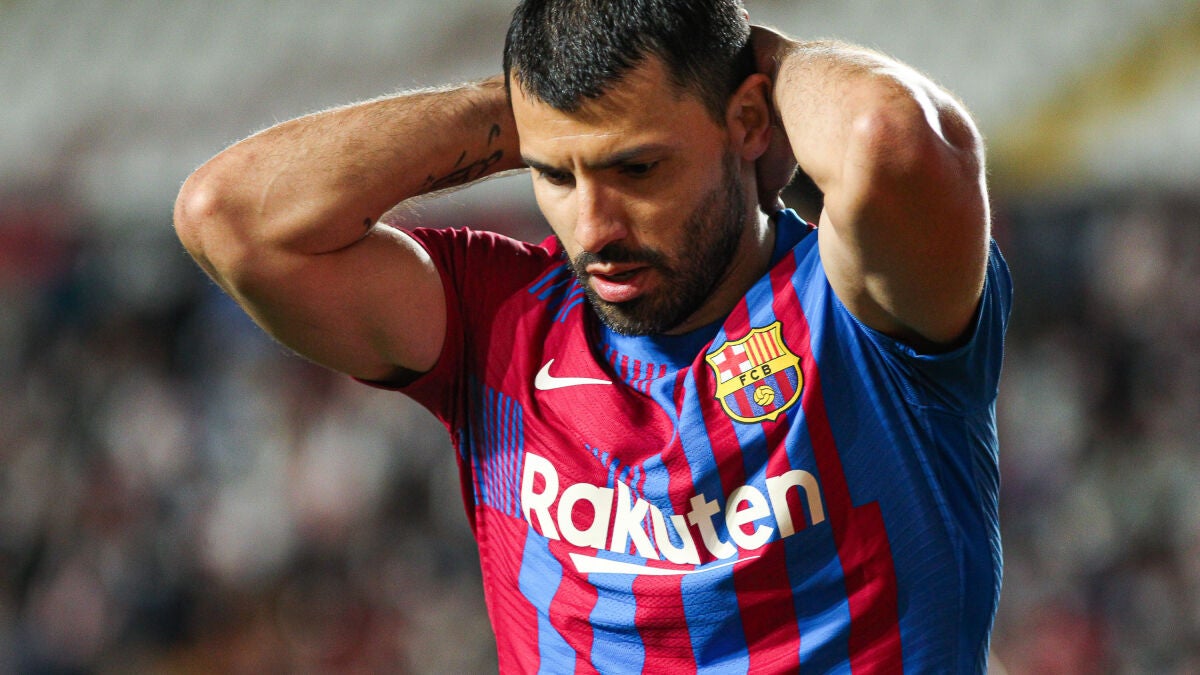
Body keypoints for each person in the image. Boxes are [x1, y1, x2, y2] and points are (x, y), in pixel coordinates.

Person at [174, 0, 1011, 671]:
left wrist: (768, 61)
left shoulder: (860, 314)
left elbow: (890, 138)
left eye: (636, 167)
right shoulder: (500, 323)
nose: (595, 226)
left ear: (750, 121)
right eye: (555, 173)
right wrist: (528, 107)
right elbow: (229, 219)